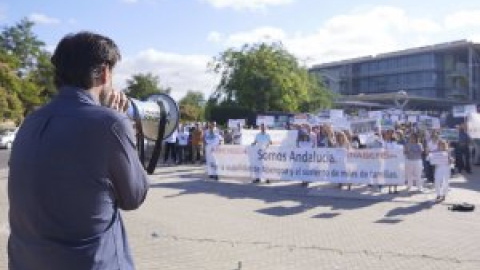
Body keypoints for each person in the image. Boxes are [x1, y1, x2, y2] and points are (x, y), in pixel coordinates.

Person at [8, 32, 149, 270]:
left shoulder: (31, 121)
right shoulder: (111, 123)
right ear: (104, 72)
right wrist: (119, 124)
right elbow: (134, 197)